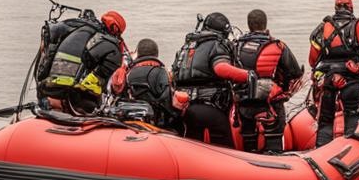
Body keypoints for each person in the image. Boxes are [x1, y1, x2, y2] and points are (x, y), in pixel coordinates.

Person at [308, 0, 359, 145]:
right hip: (351, 78)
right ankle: (351, 149)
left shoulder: (322, 27)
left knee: (325, 120)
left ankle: (322, 150)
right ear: (351, 8)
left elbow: (313, 60)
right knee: (351, 114)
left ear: (336, 9)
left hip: (329, 78)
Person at [172, 12, 254, 148]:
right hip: (209, 108)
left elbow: (174, 74)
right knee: (225, 147)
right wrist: (249, 76)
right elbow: (221, 68)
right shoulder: (217, 44)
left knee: (193, 143)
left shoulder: (186, 47)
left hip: (184, 108)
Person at [235, 9, 303, 153]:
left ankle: (249, 159)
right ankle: (274, 157)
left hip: (244, 98)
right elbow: (294, 72)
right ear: (265, 24)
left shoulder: (236, 46)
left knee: (248, 137)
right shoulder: (278, 45)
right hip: (270, 100)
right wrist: (284, 88)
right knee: (274, 135)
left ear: (249, 25)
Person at [36, 8, 128, 114]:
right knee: (114, 53)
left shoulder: (74, 31)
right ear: (115, 28)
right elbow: (102, 59)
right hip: (70, 96)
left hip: (46, 91)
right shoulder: (105, 42)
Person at [109, 38, 180, 129]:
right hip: (154, 124)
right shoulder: (161, 72)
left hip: (129, 121)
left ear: (138, 54)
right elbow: (167, 101)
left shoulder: (127, 73)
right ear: (156, 54)